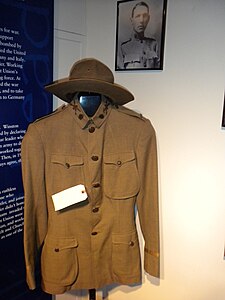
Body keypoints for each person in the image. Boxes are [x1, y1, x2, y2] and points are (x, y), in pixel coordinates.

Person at [119, 1, 160, 69]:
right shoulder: (123, 47)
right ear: (131, 20)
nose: (141, 20)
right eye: (137, 16)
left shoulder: (154, 44)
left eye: (145, 16)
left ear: (148, 19)